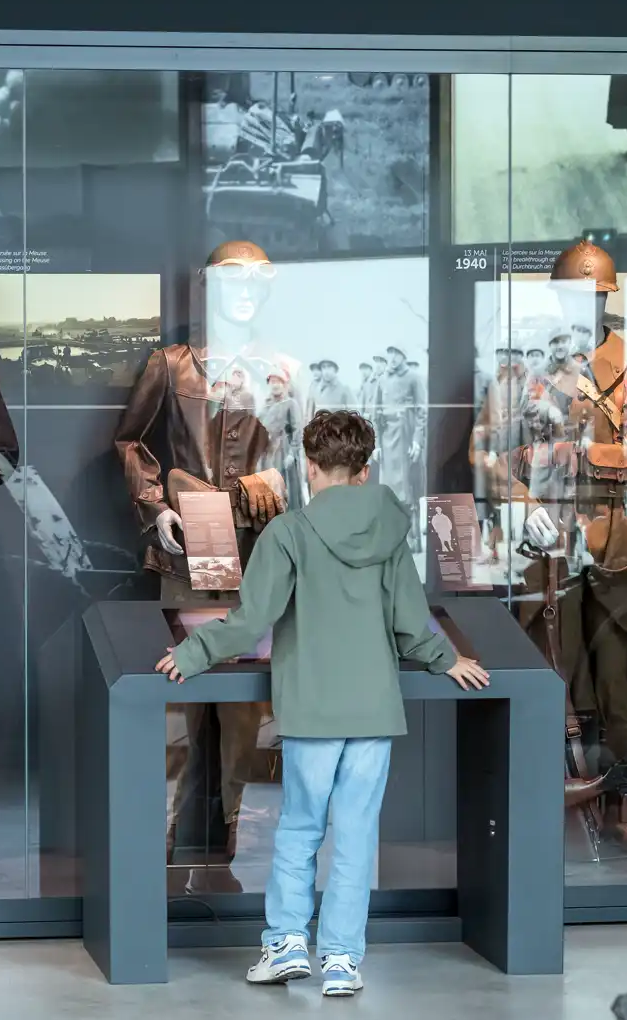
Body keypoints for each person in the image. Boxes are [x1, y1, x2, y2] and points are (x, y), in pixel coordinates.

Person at [155, 409, 490, 997]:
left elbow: (251, 621)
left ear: (310, 466)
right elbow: (410, 624)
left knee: (300, 828)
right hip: (373, 708)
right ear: (365, 470)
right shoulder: (391, 532)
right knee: (357, 835)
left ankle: (286, 945)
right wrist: (449, 660)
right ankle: (341, 960)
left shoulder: (288, 533)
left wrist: (192, 653)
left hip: (312, 707)